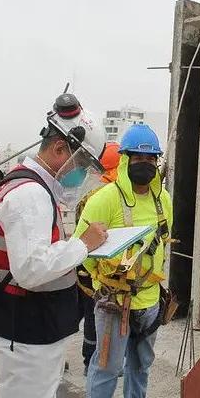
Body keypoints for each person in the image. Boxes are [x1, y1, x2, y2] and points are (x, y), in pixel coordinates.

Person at [0, 93, 112, 398]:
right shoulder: (30, 196)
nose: (81, 173)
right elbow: (31, 269)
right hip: (28, 327)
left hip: (32, 327)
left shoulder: (33, 189)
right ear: (59, 149)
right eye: (82, 163)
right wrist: (83, 245)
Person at [73, 123, 175, 398]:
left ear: (157, 162)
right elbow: (79, 248)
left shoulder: (163, 200)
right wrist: (101, 282)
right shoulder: (104, 200)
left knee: (142, 361)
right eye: (138, 158)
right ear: (125, 160)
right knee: (107, 365)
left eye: (151, 158)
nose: (145, 164)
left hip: (149, 298)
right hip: (115, 302)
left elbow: (162, 243)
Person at [75, 142, 121, 373]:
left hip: (84, 263)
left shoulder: (89, 191)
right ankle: (97, 362)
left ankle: (89, 361)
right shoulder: (109, 194)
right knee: (100, 315)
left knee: (91, 314)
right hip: (101, 266)